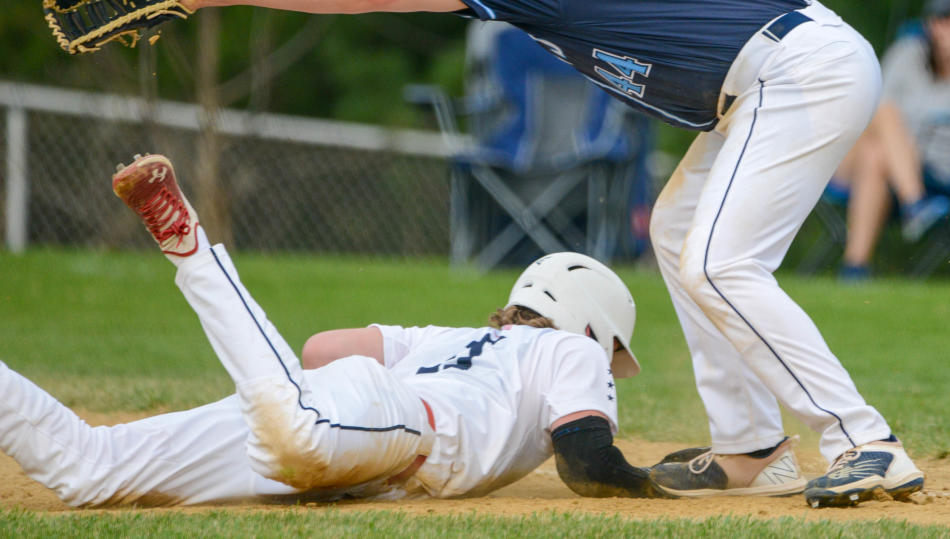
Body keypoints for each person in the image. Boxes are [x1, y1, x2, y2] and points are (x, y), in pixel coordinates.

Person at [173, 0, 924, 508]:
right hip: (798, 57)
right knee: (675, 229)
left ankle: (866, 440)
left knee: (719, 264)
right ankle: (751, 448)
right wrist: (757, 48)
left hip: (792, 73)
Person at [0, 153, 662, 506]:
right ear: (594, 327)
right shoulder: (573, 349)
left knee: (88, 468)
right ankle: (190, 247)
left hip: (357, 419)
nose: (609, 370)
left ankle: (289, 406)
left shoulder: (448, 337)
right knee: (296, 428)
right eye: (612, 355)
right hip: (392, 425)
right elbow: (587, 464)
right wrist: (656, 481)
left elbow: (322, 349)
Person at [831, 0, 950, 281]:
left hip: (937, 168)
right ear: (932, 24)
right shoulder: (907, 53)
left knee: (875, 155)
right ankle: (915, 203)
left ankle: (854, 268)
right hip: (876, 160)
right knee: (882, 111)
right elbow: (874, 106)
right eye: (949, 19)